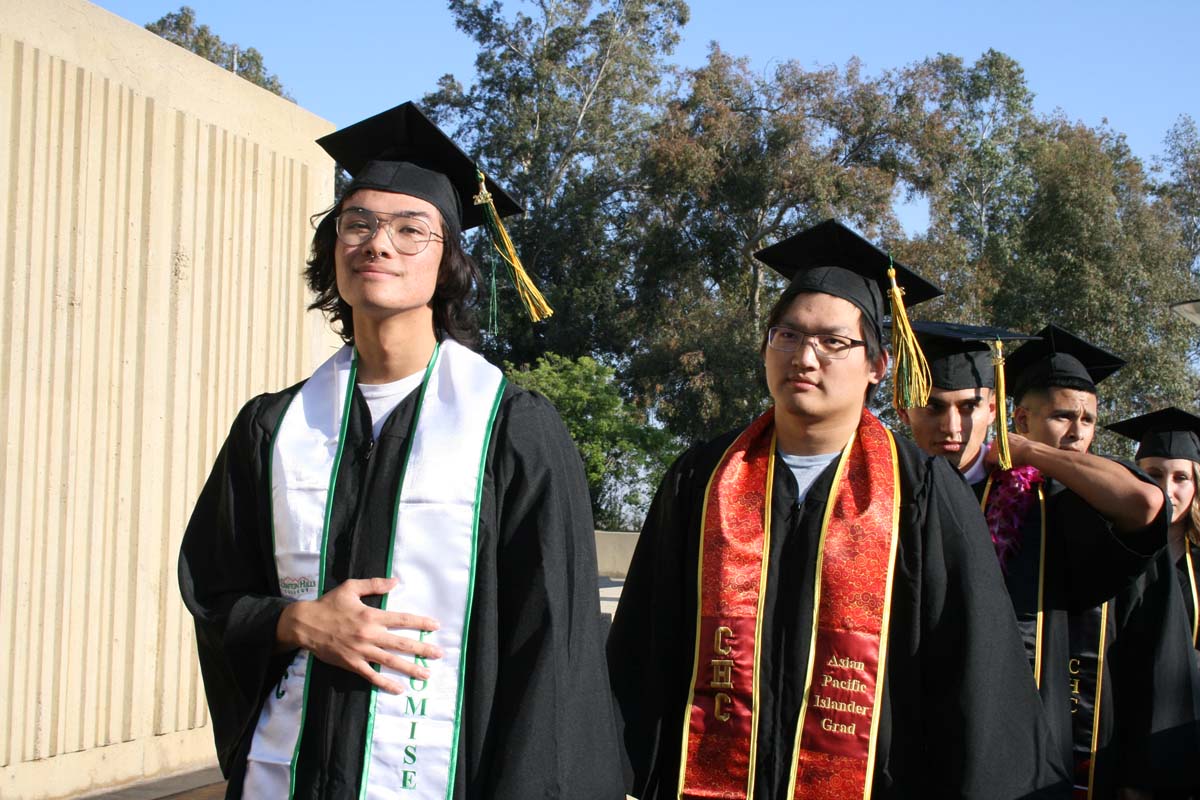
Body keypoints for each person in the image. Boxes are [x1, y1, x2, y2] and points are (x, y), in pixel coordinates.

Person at [179, 102, 624, 800]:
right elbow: (213, 589)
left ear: (448, 261)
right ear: (334, 248)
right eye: (358, 223)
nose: (378, 243)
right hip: (285, 774)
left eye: (411, 229)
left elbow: (553, 656)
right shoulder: (272, 428)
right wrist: (297, 621)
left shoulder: (512, 430)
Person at [607, 219, 1065, 799]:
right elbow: (646, 647)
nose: (804, 356)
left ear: (879, 365)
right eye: (787, 335)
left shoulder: (921, 493)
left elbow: (974, 674)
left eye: (834, 341)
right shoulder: (701, 479)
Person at [980, 326, 1179, 797]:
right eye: (1064, 416)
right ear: (1021, 416)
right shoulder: (984, 491)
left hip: (1091, 727)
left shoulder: (1102, 491)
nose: (1078, 432)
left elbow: (1145, 505)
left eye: (1088, 420)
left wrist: (1028, 449)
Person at [1110, 407, 1200, 651]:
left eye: (1181, 478)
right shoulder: (1110, 551)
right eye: (1154, 474)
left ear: (1196, 487)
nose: (1165, 489)